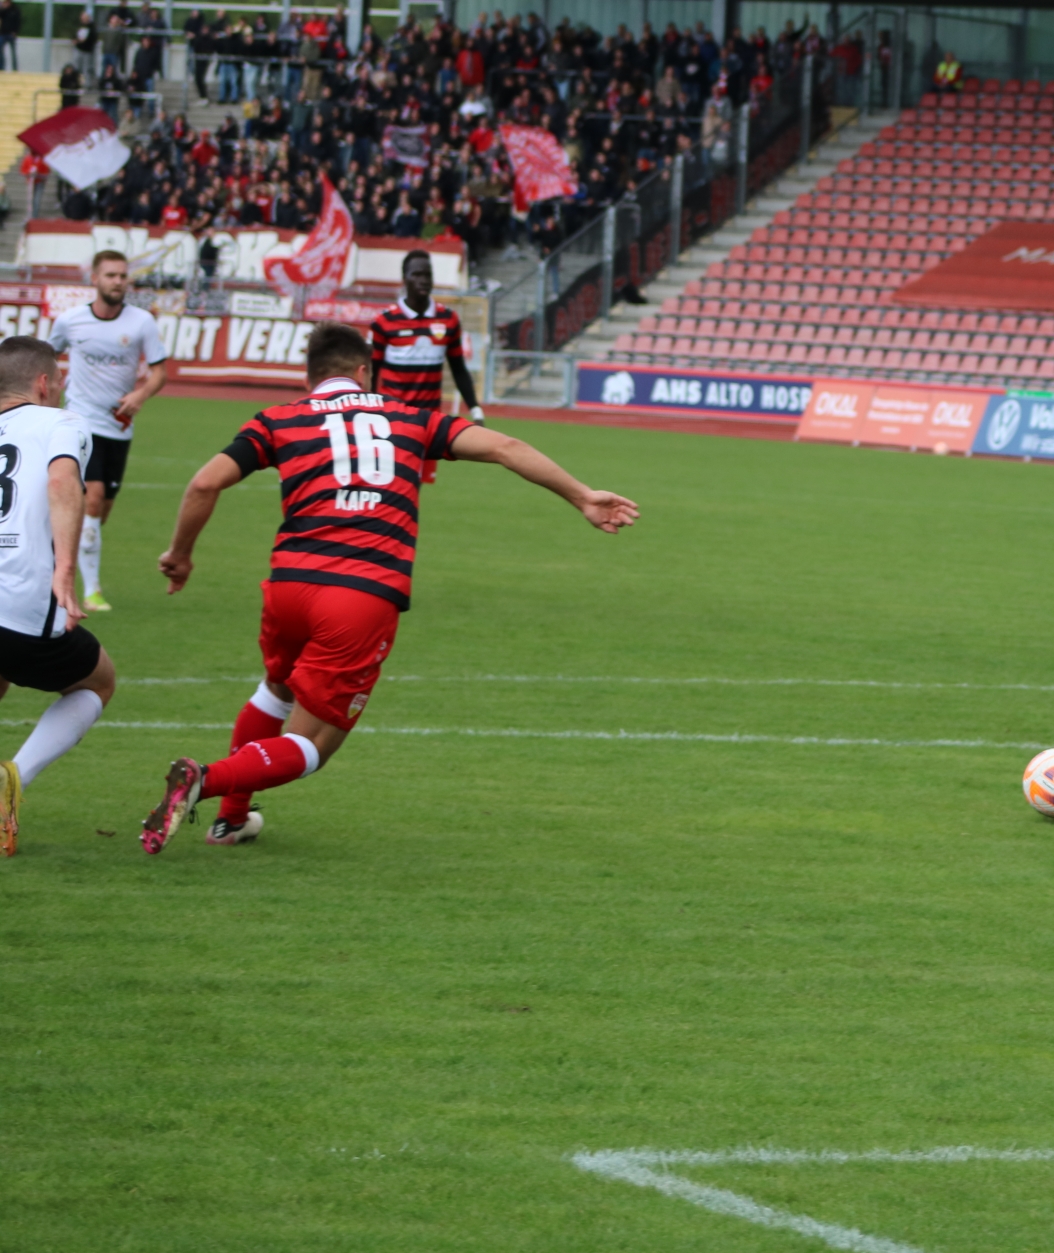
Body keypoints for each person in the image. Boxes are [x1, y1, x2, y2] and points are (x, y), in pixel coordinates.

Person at [139, 323, 637, 851]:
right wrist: (582, 495)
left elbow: (204, 482)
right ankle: (205, 780)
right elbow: (505, 446)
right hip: (360, 594)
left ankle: (232, 822)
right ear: (364, 373)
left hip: (289, 586)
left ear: (309, 379)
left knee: (276, 689)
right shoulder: (409, 418)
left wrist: (181, 555)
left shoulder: (278, 419)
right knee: (312, 744)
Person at [0, 337, 117, 857]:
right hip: (22, 599)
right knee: (98, 681)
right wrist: (66, 567)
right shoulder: (62, 422)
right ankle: (13, 781)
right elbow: (63, 480)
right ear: (44, 384)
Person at [47, 250, 168, 614]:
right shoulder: (70, 321)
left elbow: (160, 372)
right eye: (111, 275)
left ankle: (58, 557)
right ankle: (91, 591)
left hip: (119, 428)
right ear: (95, 279)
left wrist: (140, 395)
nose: (118, 281)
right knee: (93, 499)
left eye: (122, 275)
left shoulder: (142, 322)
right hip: (80, 421)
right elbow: (47, 359)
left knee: (99, 514)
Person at [368, 249, 481, 485]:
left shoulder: (448, 319)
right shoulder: (384, 321)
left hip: (427, 423)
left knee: (413, 485)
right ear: (405, 279)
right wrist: (366, 409)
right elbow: (371, 370)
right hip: (392, 420)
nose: (423, 280)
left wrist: (476, 410)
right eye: (417, 274)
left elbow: (458, 369)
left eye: (427, 274)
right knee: (388, 483)